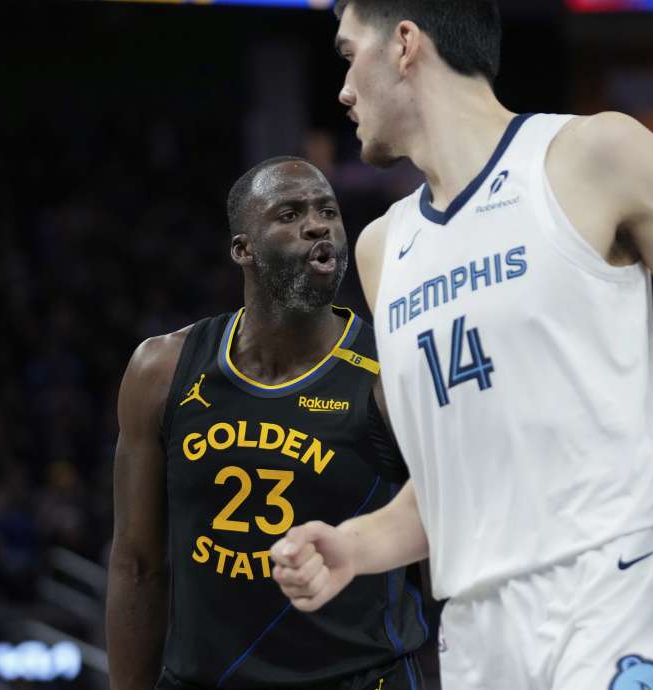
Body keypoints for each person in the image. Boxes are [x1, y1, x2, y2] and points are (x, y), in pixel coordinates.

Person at [269, 2, 653, 689]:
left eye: (350, 55)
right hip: (478, 621)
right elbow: (455, 484)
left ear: (406, 44)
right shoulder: (384, 249)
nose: (343, 89)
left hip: (622, 574)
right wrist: (354, 544)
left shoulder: (592, 156)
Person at [107, 156, 429, 690]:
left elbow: (441, 550)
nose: (317, 223)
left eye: (328, 211)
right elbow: (137, 563)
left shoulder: (390, 370)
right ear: (243, 249)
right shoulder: (162, 371)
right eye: (289, 213)